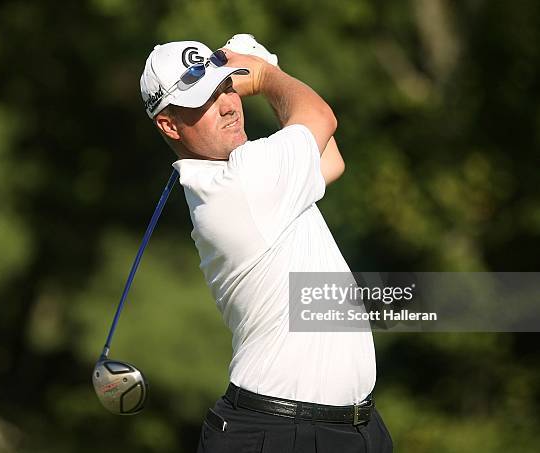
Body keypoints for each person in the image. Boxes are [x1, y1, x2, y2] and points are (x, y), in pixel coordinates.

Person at [140, 39, 393, 453]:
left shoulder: (254, 174)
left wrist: (268, 69)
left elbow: (330, 159)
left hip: (350, 428)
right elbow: (320, 117)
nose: (228, 105)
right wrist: (264, 75)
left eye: (227, 88)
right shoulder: (241, 182)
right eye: (205, 99)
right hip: (279, 433)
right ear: (169, 125)